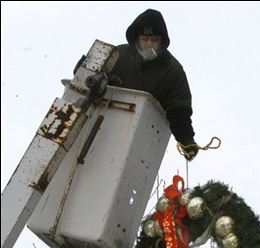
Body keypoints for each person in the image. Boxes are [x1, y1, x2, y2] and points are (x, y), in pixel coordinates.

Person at [74, 9, 200, 161]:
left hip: (139, 141)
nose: (149, 44)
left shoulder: (172, 71)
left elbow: (178, 110)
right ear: (137, 39)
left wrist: (186, 140)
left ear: (162, 41)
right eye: (144, 39)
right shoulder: (117, 55)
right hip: (99, 130)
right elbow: (83, 81)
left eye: (154, 40)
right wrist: (84, 69)